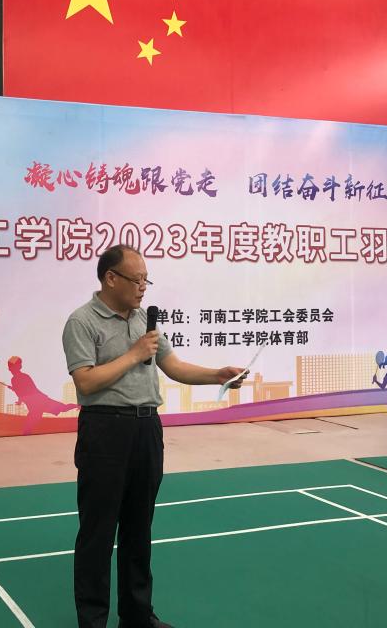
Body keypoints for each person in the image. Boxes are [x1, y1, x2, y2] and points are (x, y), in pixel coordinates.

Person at [62, 245, 247, 628]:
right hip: (105, 430)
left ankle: (137, 615)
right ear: (110, 278)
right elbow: (85, 381)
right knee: (98, 532)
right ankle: (93, 621)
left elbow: (173, 365)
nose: (143, 287)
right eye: (137, 280)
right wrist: (133, 355)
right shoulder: (82, 321)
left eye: (147, 280)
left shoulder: (144, 321)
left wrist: (217, 375)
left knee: (139, 527)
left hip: (146, 428)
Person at [6, 355, 79, 435]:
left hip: (38, 403)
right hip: (39, 402)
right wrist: (17, 391)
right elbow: (22, 393)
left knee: (29, 426)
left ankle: (78, 406)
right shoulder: (17, 379)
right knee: (62, 408)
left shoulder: (19, 378)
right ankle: (78, 406)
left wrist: (16, 391)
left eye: (12, 366)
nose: (10, 369)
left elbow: (26, 392)